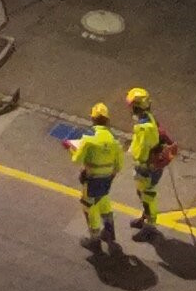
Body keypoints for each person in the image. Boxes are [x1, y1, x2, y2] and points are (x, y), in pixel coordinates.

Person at [71, 102, 124, 251]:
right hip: (106, 180)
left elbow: (76, 159)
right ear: (107, 121)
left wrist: (74, 149)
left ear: (93, 119)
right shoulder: (115, 143)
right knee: (104, 201)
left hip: (91, 180)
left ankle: (94, 241)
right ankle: (109, 231)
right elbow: (119, 166)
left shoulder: (88, 140)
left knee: (90, 208)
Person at [126, 86, 175, 232]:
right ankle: (145, 217)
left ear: (136, 107)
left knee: (148, 196)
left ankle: (150, 226)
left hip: (147, 167)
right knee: (143, 194)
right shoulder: (149, 119)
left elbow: (142, 151)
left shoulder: (144, 128)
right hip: (147, 166)